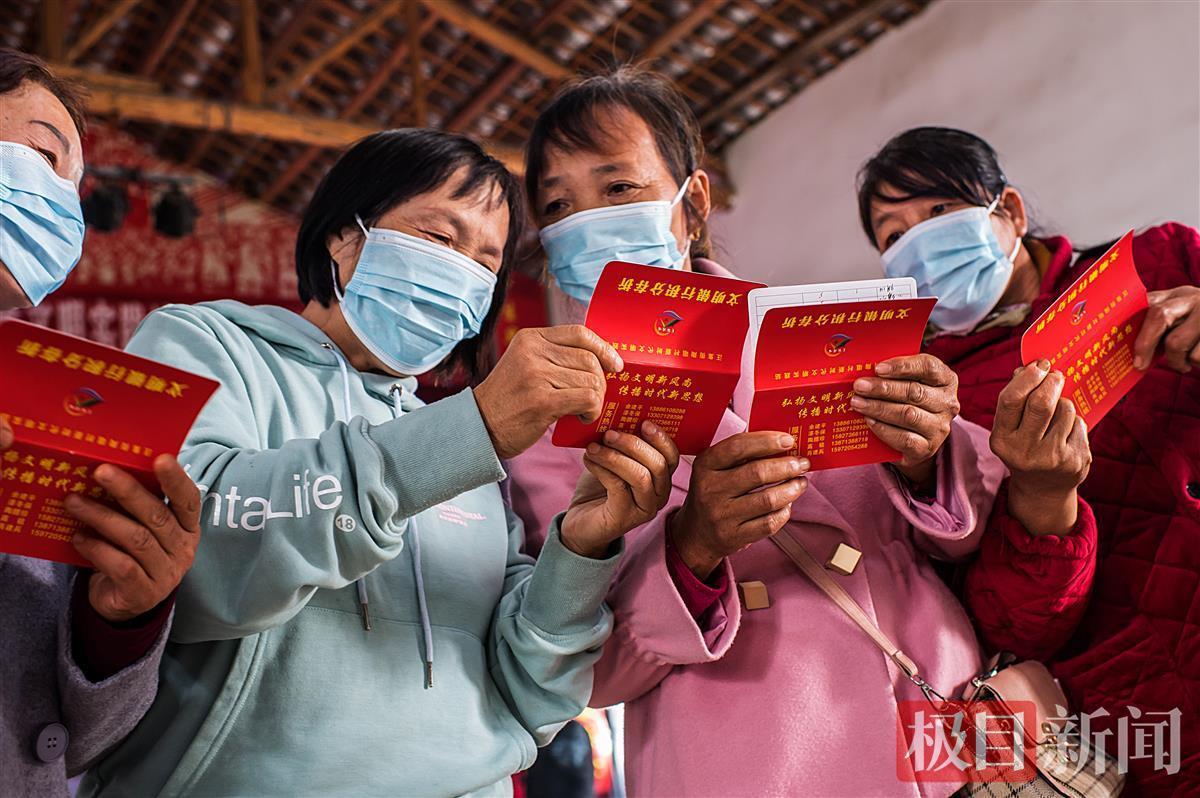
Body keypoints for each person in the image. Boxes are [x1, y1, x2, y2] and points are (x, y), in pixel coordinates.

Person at [80, 127, 680, 797]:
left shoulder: (464, 445)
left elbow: (533, 691)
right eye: (440, 237)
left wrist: (579, 548)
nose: (464, 273)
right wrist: (468, 432)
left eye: (487, 262)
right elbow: (192, 564)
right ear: (345, 235)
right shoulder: (207, 346)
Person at [507, 68, 1008, 797]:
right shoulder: (548, 428)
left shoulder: (819, 332)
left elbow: (974, 536)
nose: (588, 221)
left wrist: (927, 456)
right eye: (558, 205)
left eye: (618, 187)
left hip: (936, 716)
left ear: (693, 203)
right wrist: (693, 548)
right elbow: (584, 672)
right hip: (745, 760)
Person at [857, 125, 1199, 795]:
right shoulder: (929, 403)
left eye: (938, 210)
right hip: (1152, 700)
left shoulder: (1157, 265)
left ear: (1008, 210)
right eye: (893, 235)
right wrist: (1042, 496)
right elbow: (1016, 625)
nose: (918, 242)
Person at [0, 48, 202, 795]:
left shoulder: (37, 406)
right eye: (43, 155)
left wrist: (119, 623)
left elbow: (64, 746)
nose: (60, 200)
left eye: (73, 184)